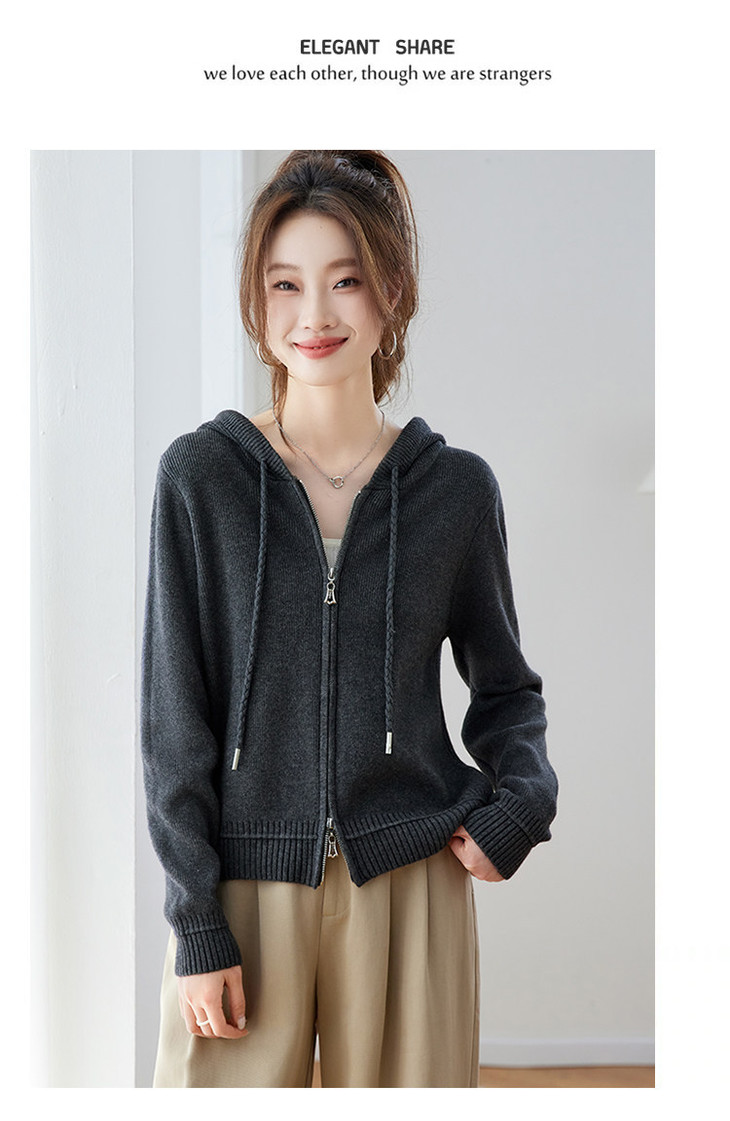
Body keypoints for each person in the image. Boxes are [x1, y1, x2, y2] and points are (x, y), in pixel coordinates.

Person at [141, 150, 558, 1089]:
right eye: (285, 284)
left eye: (346, 280)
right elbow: (174, 722)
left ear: (391, 291)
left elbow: (506, 690)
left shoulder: (455, 490)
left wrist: (522, 803)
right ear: (257, 302)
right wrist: (196, 919)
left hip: (408, 882)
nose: (314, 315)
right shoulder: (200, 479)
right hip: (244, 886)